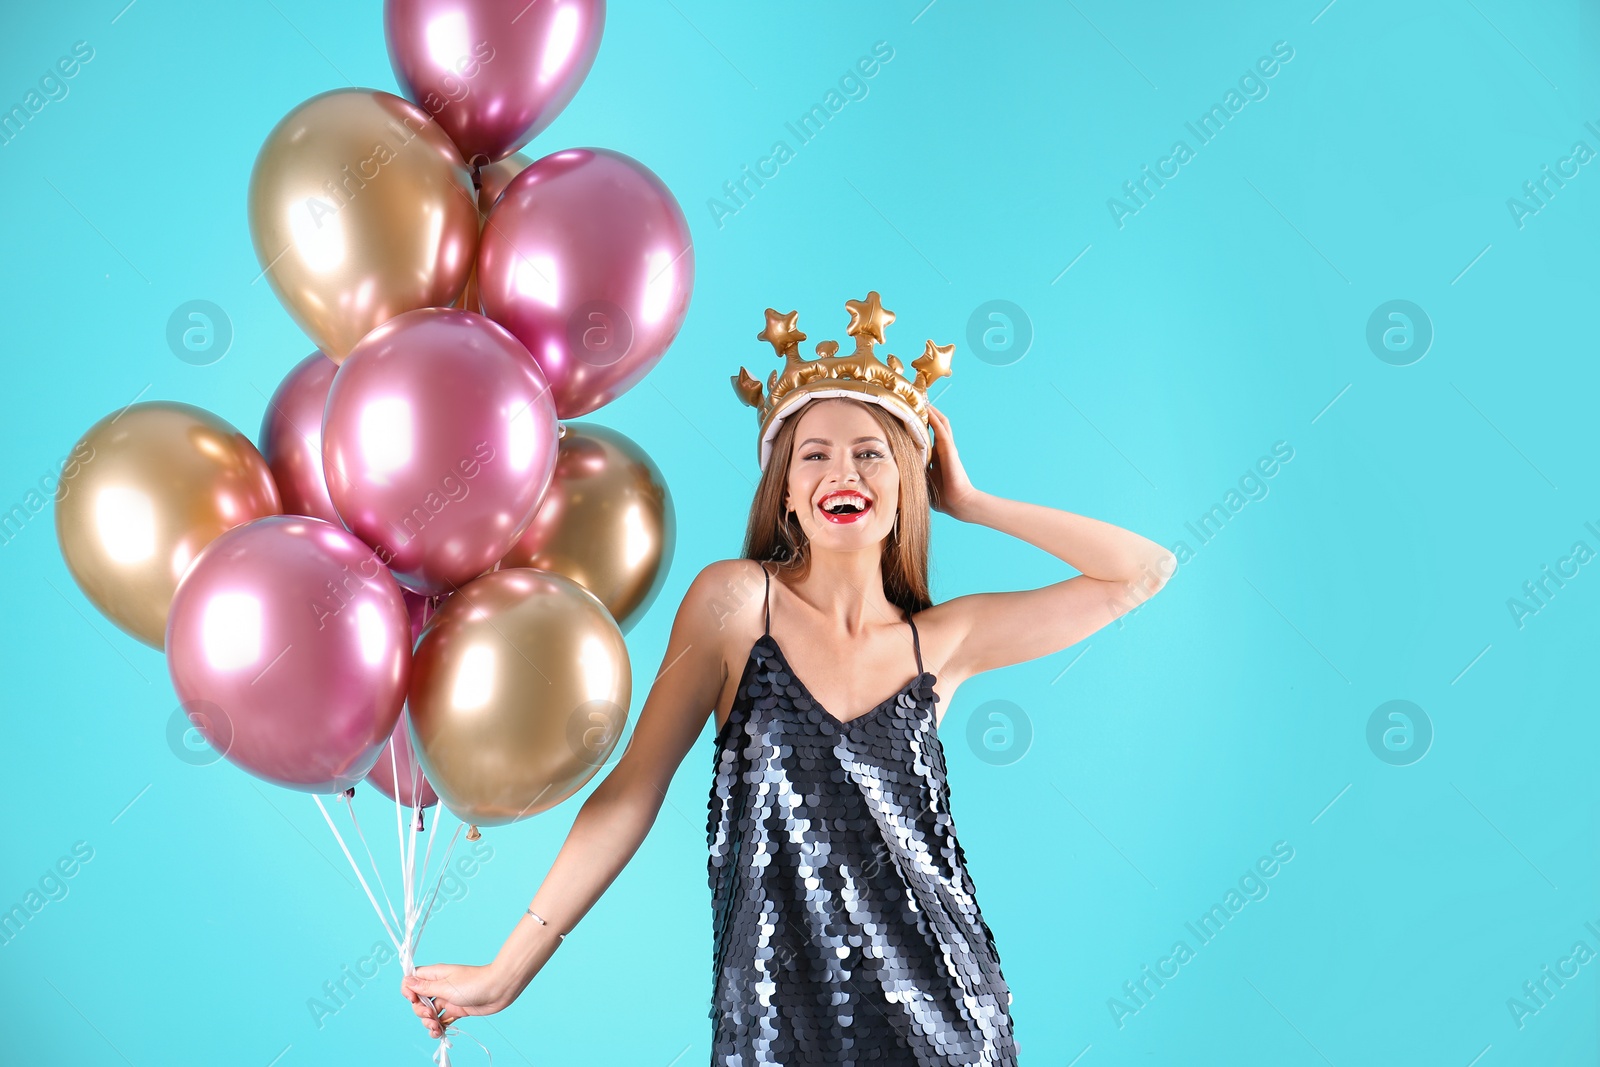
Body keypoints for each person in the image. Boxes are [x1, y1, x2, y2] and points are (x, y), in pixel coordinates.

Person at [402, 293, 1176, 1063]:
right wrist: (511, 967)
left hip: (947, 1023)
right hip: (774, 1031)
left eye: (871, 452)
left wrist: (971, 501)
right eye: (816, 452)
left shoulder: (941, 641)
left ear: (907, 481)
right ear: (788, 490)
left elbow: (1140, 572)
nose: (844, 471)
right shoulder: (735, 603)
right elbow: (633, 789)